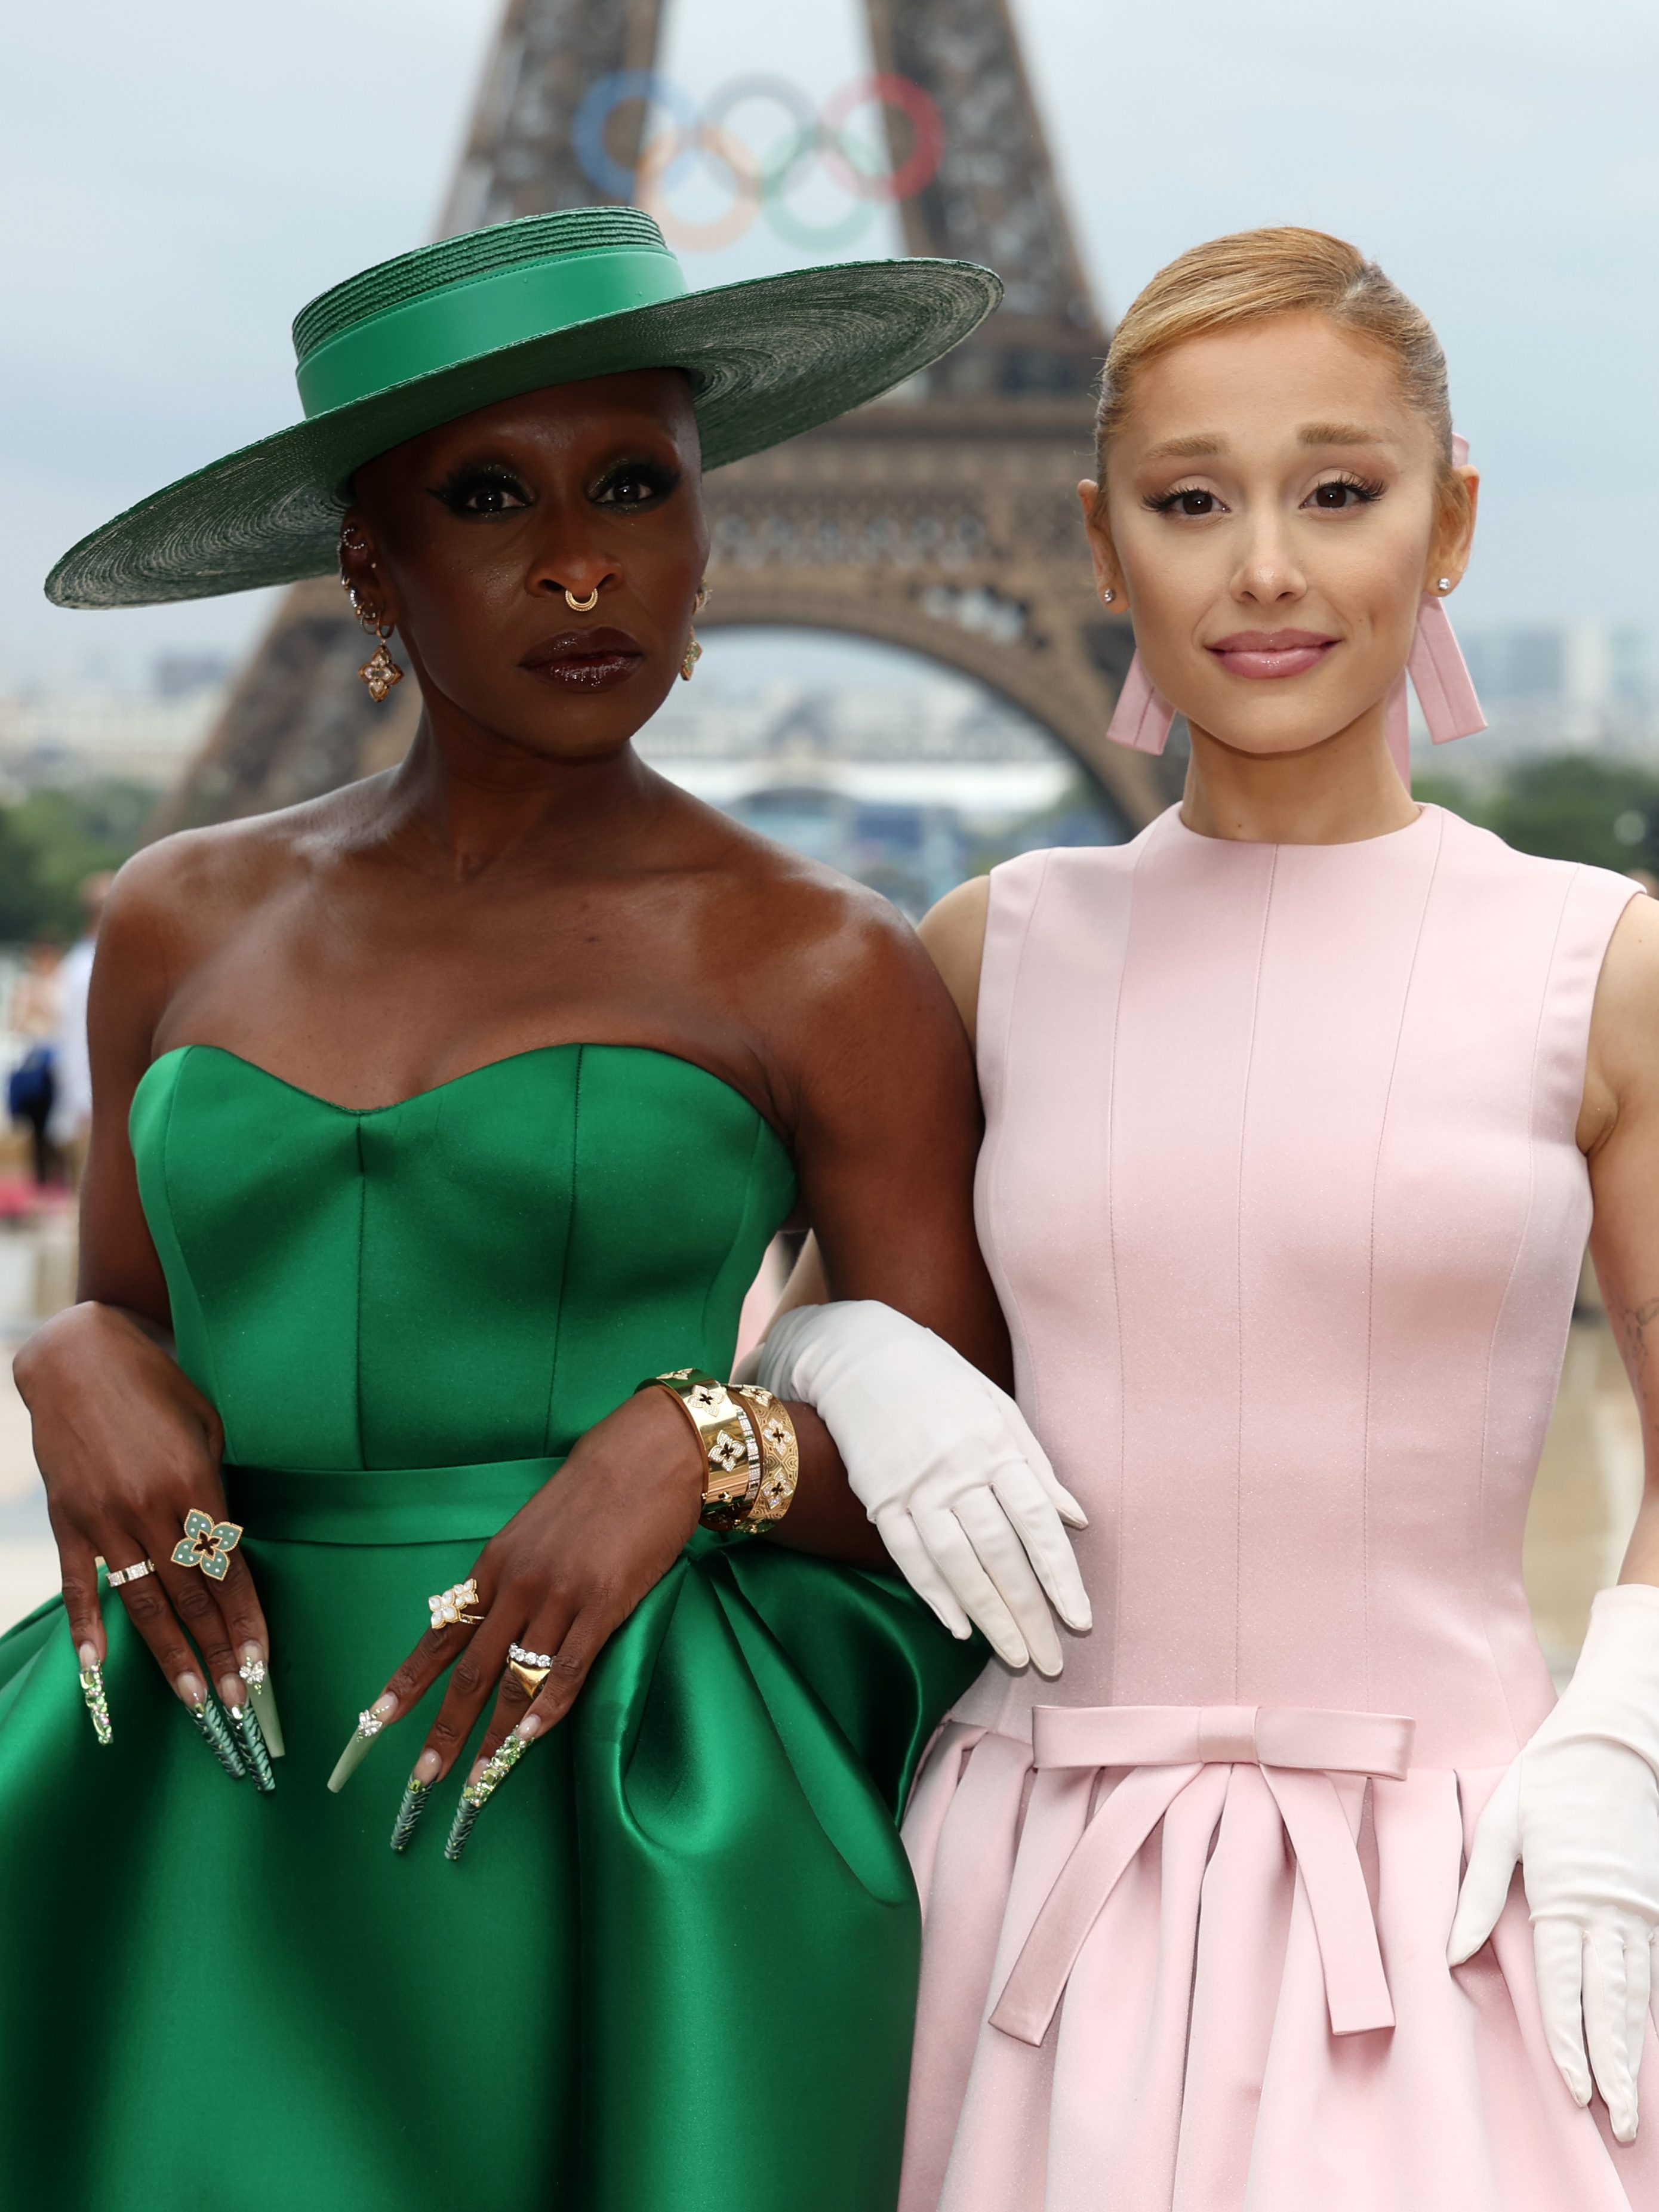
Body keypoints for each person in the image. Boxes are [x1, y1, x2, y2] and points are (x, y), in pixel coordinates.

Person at [0, 207, 1087, 2211]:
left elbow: (970, 1483)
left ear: (703, 526)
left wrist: (703, 1437)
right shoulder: (175, 913)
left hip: (599, 1784)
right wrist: (66, 1349)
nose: (578, 563)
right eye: (486, 497)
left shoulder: (817, 964)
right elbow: (132, 1329)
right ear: (368, 564)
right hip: (184, 1778)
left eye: (635, 488)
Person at [756, 229, 1659, 2205]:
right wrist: (841, 1346)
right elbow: (803, 1362)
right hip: (1015, 1904)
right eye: (1189, 500)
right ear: (1093, 543)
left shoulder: (1592, 961)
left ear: (1450, 524)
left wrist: (1624, 1740)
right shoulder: (987, 950)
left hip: (1457, 1882)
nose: (1263, 563)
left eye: (1336, 491)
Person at [46, 870, 112, 1185]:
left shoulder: (84, 964)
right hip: (93, 1109)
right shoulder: (88, 969)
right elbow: (77, 1043)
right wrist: (85, 1104)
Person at [5, 939, 63, 1185]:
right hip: (33, 1062)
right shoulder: (26, 987)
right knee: (35, 1123)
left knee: (57, 1121)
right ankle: (42, 1176)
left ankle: (57, 1173)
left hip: (55, 1061)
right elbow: (14, 1024)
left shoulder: (61, 985)